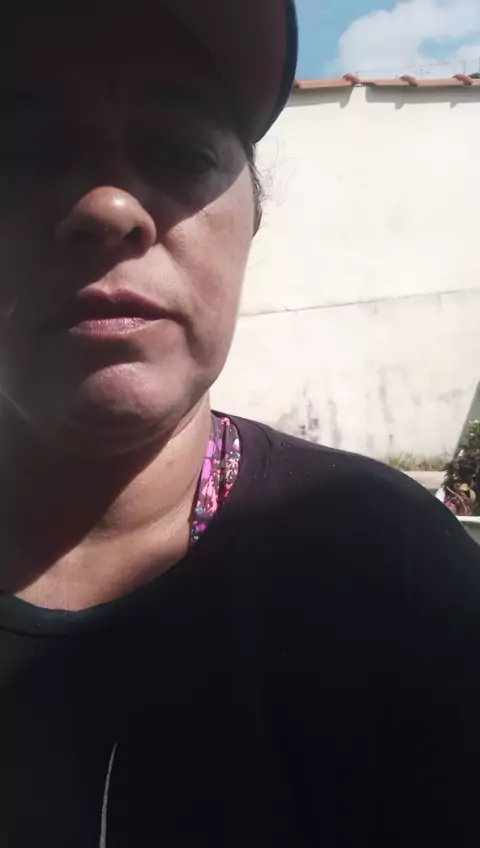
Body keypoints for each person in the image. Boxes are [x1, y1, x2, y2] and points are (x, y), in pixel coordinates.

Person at [0, 3, 479, 846]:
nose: (109, 207)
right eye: (29, 151)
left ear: (252, 219)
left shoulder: (396, 576)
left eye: (179, 152)